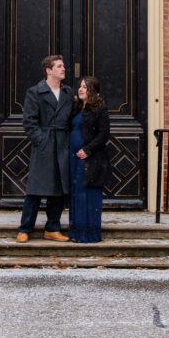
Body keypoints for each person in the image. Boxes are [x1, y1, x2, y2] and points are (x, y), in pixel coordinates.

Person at [16, 54, 72, 242]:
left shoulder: (67, 92)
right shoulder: (35, 92)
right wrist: (41, 140)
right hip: (45, 144)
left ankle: (52, 228)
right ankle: (25, 229)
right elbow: (29, 121)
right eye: (59, 66)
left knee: (58, 190)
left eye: (63, 66)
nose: (63, 69)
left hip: (63, 144)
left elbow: (72, 117)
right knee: (35, 190)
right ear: (49, 70)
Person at [69, 76, 111, 243]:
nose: (80, 89)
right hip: (74, 158)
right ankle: (76, 233)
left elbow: (104, 134)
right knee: (76, 194)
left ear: (92, 90)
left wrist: (87, 150)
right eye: (80, 86)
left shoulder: (100, 109)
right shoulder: (77, 108)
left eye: (85, 87)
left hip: (90, 159)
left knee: (88, 194)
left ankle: (89, 234)